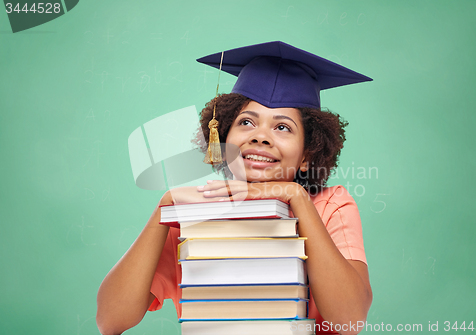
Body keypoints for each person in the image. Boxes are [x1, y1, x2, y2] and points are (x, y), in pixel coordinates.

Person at [96, 41, 373, 335]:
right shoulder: (192, 215)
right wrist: (163, 209)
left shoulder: (331, 206)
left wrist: (296, 197)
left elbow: (349, 321)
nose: (261, 137)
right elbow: (111, 320)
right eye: (246, 122)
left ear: (307, 155)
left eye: (282, 127)